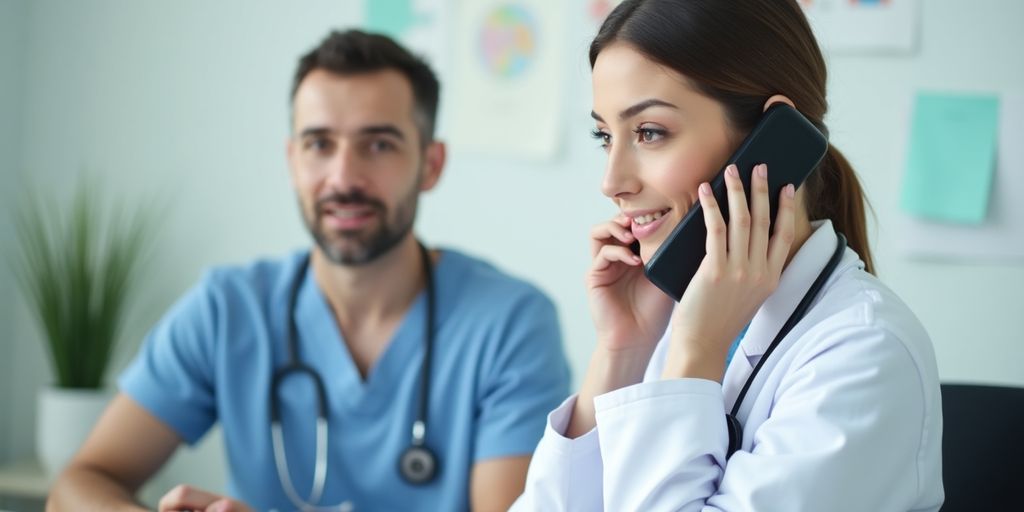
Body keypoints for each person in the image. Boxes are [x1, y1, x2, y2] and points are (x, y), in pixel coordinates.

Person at [47, 29, 570, 512]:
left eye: (378, 145)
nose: (343, 177)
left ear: (431, 164)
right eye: (319, 144)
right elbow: (79, 484)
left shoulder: (509, 323)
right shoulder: (228, 310)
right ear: (292, 159)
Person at [512, 1, 943, 510]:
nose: (612, 182)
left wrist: (696, 350)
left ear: (769, 140)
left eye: (650, 132)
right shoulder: (676, 317)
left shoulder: (866, 355)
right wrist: (622, 350)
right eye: (605, 136)